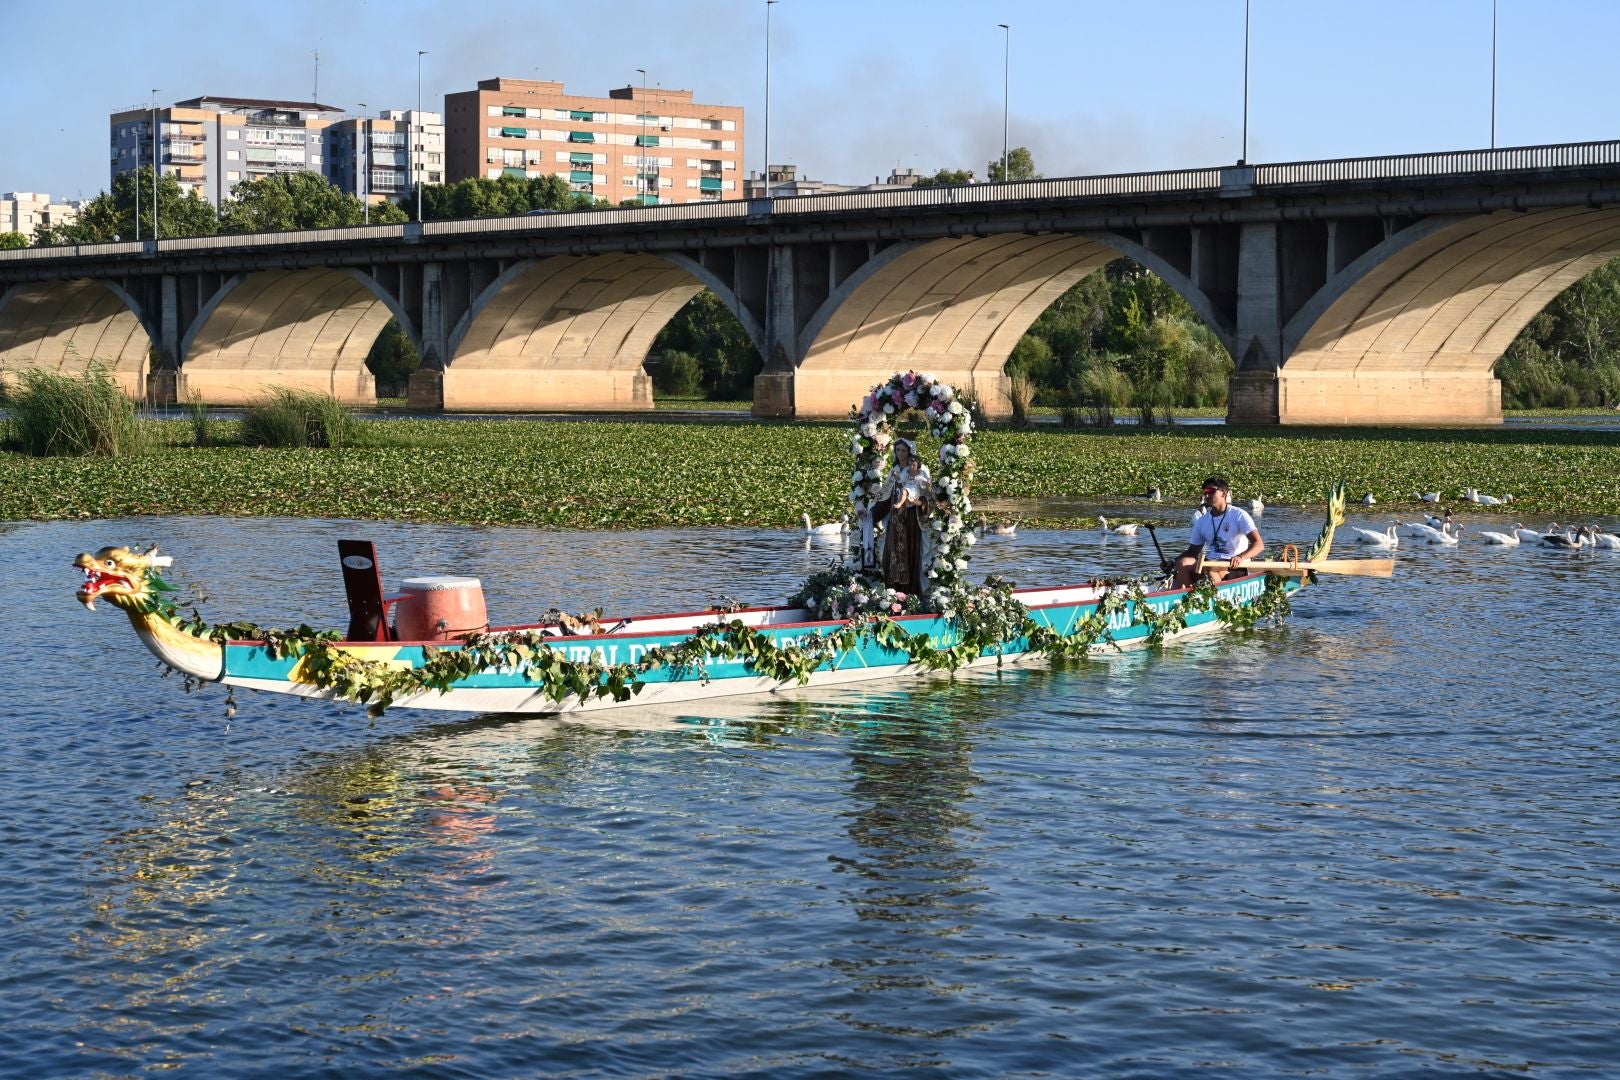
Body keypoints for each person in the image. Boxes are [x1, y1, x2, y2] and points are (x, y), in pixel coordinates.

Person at [1173, 476, 1264, 587]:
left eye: (1211, 491)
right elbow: (1192, 552)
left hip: (1235, 565)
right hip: (1211, 563)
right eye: (1205, 492)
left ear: (1224, 493)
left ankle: (1219, 600)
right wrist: (1173, 561)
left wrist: (1240, 557)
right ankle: (1187, 599)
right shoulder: (1202, 521)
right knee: (1182, 563)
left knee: (1210, 568)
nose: (1207, 495)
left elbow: (1258, 544)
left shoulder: (1239, 515)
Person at [876, 438, 931, 594]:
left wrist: (920, 502)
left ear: (910, 452)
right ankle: (892, 594)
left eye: (903, 450)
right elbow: (885, 498)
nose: (900, 454)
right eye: (898, 450)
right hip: (895, 522)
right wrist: (871, 513)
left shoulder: (918, 471)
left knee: (912, 555)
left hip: (911, 521)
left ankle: (912, 594)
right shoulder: (894, 472)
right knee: (890, 557)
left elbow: (928, 495)